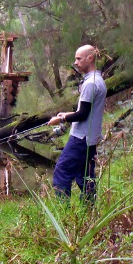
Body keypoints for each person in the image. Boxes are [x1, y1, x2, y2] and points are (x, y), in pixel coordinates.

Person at [47, 45, 107, 200]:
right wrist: (67, 114)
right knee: (85, 177)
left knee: (61, 172)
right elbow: (88, 110)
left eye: (79, 58)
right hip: (90, 138)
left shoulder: (90, 84)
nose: (76, 62)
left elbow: (82, 114)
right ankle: (89, 213)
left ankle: (64, 214)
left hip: (81, 138)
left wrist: (60, 119)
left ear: (90, 58)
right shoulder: (97, 80)